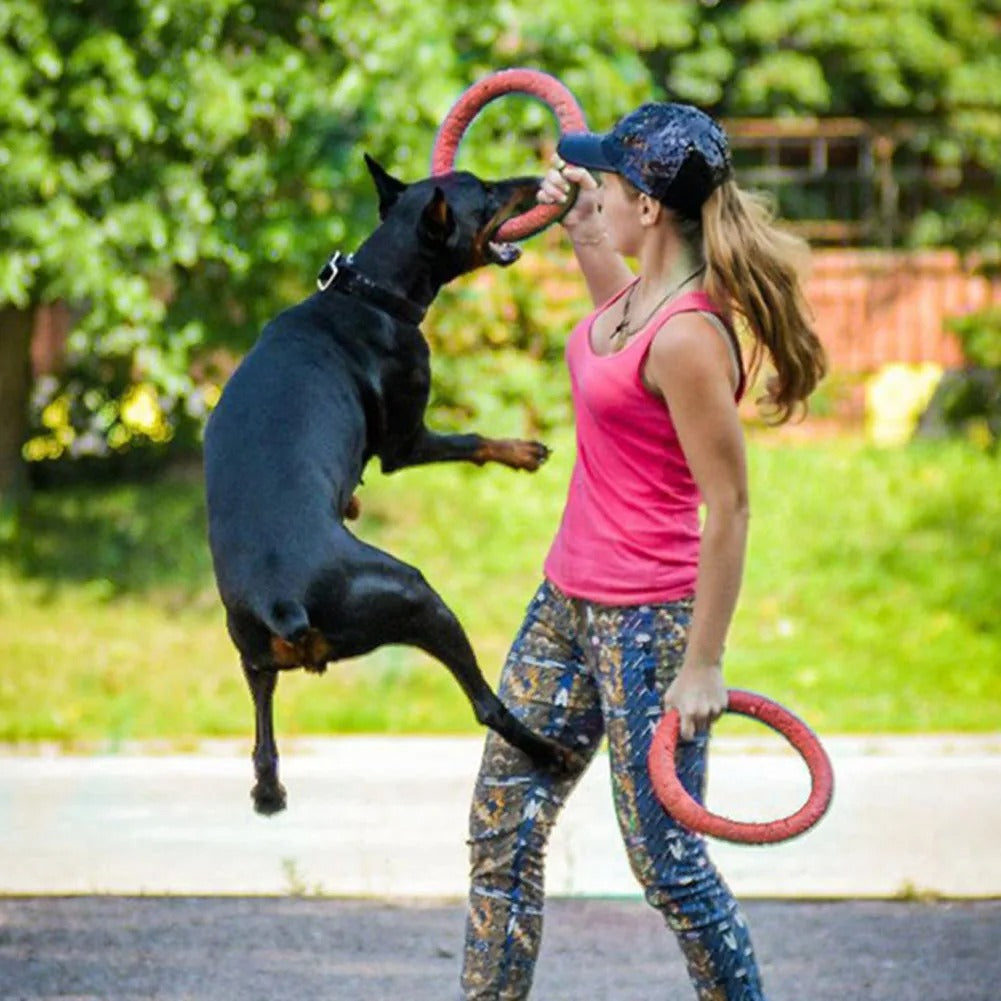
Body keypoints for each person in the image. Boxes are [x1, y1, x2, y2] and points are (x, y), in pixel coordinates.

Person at [458, 100, 827, 1001]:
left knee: (666, 865)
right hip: (563, 603)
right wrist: (583, 225)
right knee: (500, 831)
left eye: (608, 182)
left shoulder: (691, 334)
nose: (594, 189)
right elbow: (612, 341)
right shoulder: (634, 301)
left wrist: (702, 663)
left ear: (651, 207)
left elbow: (730, 506)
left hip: (646, 622)